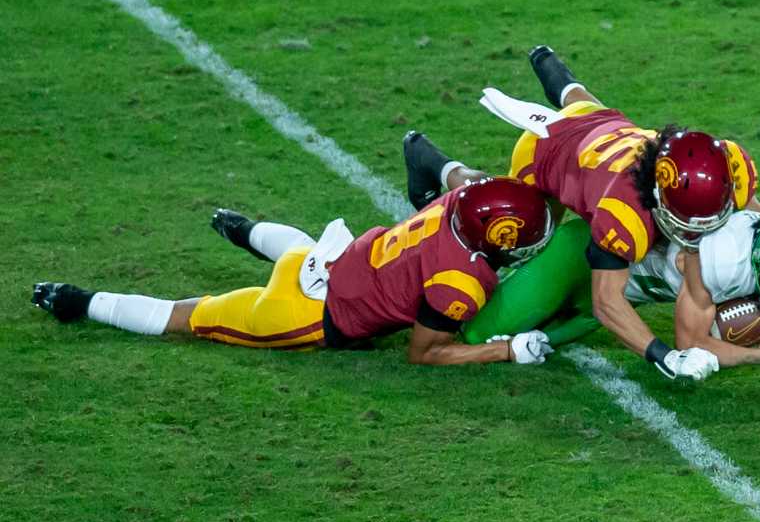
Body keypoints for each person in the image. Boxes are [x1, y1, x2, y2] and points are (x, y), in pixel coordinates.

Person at [404, 45, 760, 381]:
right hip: (545, 152)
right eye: (687, 223)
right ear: (657, 196)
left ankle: (551, 67)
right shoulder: (624, 213)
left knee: (585, 108)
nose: (700, 234)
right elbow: (606, 302)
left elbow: (757, 218)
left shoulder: (717, 166)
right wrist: (663, 357)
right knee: (503, 221)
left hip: (601, 126)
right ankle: (436, 164)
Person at [31, 177, 560, 366]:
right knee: (190, 316)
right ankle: (79, 300)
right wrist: (505, 349)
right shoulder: (462, 282)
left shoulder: (454, 204)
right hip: (304, 313)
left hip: (325, 258)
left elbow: (470, 184)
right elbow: (424, 353)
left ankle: (243, 230)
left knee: (297, 247)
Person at [460, 190, 760, 392]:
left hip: (604, 308)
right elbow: (688, 342)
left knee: (538, 345)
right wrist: (758, 356)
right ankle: (451, 206)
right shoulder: (724, 252)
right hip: (584, 259)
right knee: (473, 330)